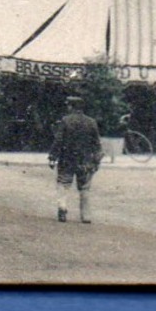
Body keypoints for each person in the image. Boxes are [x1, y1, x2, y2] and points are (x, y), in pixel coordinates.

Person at [48, 94, 104, 224]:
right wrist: (97, 160)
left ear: (71, 106)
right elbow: (96, 143)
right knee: (85, 188)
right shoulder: (91, 122)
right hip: (86, 160)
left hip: (67, 159)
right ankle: (86, 216)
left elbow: (58, 140)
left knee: (63, 183)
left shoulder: (65, 121)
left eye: (68, 105)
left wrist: (52, 156)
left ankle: (62, 208)